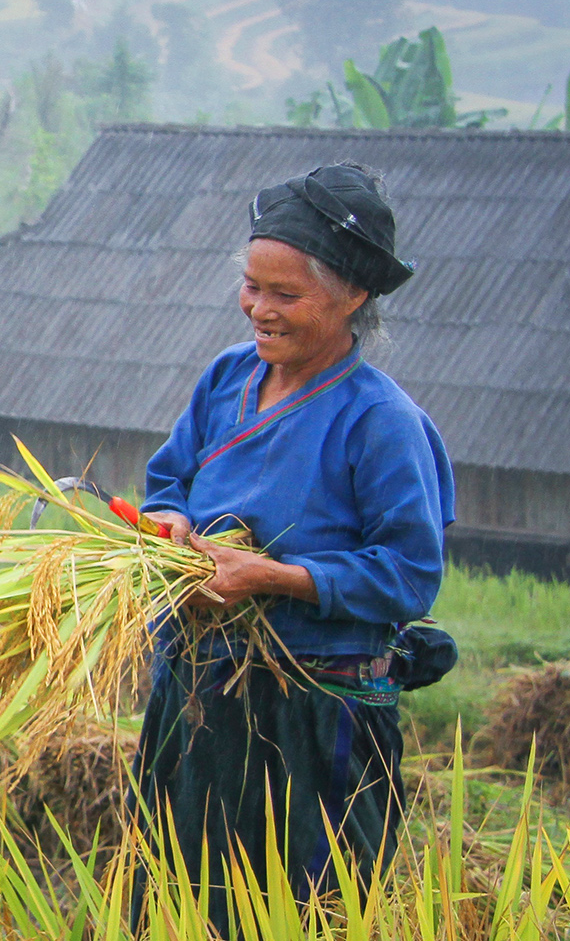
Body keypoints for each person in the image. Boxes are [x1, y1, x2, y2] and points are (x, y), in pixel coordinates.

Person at [130, 163, 455, 932]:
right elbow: (168, 482)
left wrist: (271, 576)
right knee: (181, 903)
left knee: (303, 910)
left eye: (285, 294)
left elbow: (408, 575)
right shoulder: (226, 379)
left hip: (315, 716)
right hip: (200, 697)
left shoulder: (379, 422)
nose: (257, 309)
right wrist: (170, 527)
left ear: (354, 297)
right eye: (251, 287)